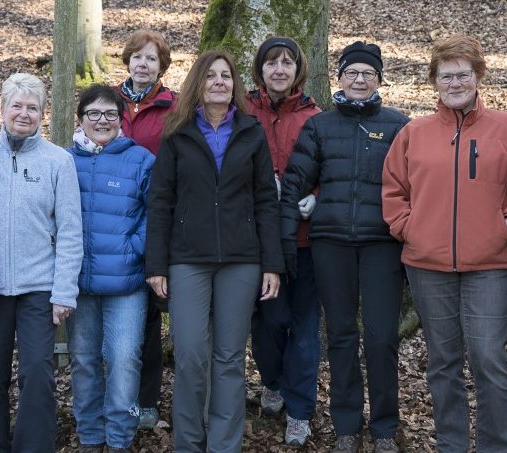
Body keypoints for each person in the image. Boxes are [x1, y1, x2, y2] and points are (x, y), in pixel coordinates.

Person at [381, 35, 507, 452]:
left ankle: (495, 446)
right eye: (446, 76)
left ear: (478, 76)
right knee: (443, 363)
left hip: (490, 264)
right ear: (435, 81)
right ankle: (451, 444)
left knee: (488, 360)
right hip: (427, 265)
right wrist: (409, 227)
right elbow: (393, 190)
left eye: (463, 74)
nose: (455, 83)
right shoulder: (415, 132)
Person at [146, 50, 283, 453]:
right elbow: (160, 201)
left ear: (235, 85)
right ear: (198, 85)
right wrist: (157, 264)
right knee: (190, 354)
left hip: (242, 260)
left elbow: (265, 202)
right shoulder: (177, 132)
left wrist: (272, 264)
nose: (219, 82)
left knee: (228, 359)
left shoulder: (251, 132)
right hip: (187, 258)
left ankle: (225, 445)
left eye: (226, 76)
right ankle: (189, 443)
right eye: (211, 76)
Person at [281, 41, 409, 453]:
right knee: (339, 335)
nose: (359, 79)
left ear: (379, 79)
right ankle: (347, 426)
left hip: (382, 245)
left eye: (367, 73)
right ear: (339, 78)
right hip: (330, 243)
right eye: (351, 72)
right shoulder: (320, 125)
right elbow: (297, 181)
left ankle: (386, 427)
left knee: (381, 336)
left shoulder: (399, 125)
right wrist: (287, 232)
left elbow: (417, 186)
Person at [0, 73, 84, 453]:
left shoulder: (58, 161)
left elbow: (70, 230)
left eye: (33, 107)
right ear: (2, 109)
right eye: (17, 105)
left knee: (37, 376)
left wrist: (63, 291)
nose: (24, 113)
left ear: (43, 114)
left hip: (39, 290)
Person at [65, 84, 156, 453]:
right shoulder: (64, 161)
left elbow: (157, 213)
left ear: (121, 120)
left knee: (123, 360)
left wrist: (131, 248)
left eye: (110, 114)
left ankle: (119, 438)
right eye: (93, 114)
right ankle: (89, 435)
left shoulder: (141, 160)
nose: (102, 121)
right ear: (81, 119)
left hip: (126, 282)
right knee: (84, 360)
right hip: (80, 283)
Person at [244, 36, 322, 447]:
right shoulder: (244, 111)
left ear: (297, 70)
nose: (279, 69)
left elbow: (335, 166)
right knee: (271, 321)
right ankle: (272, 381)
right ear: (261, 71)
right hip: (258, 240)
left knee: (306, 327)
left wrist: (318, 198)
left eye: (287, 63)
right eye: (271, 63)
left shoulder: (315, 116)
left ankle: (300, 408)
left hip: (307, 240)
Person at [114, 29, 177, 429]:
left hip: (154, 217)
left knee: (149, 315)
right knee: (117, 314)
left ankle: (147, 399)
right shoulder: (108, 103)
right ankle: (117, 397)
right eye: (137, 57)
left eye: (151, 59)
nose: (143, 64)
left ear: (161, 67)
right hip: (112, 218)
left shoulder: (174, 108)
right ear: (127, 61)